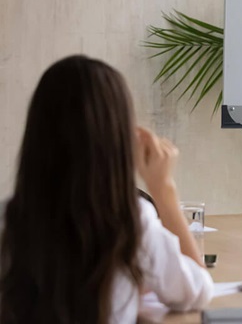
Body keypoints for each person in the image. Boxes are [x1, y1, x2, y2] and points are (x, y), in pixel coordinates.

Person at [0, 55, 213, 323]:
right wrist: (163, 189)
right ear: (118, 137)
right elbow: (198, 291)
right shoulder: (132, 220)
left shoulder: (8, 219)